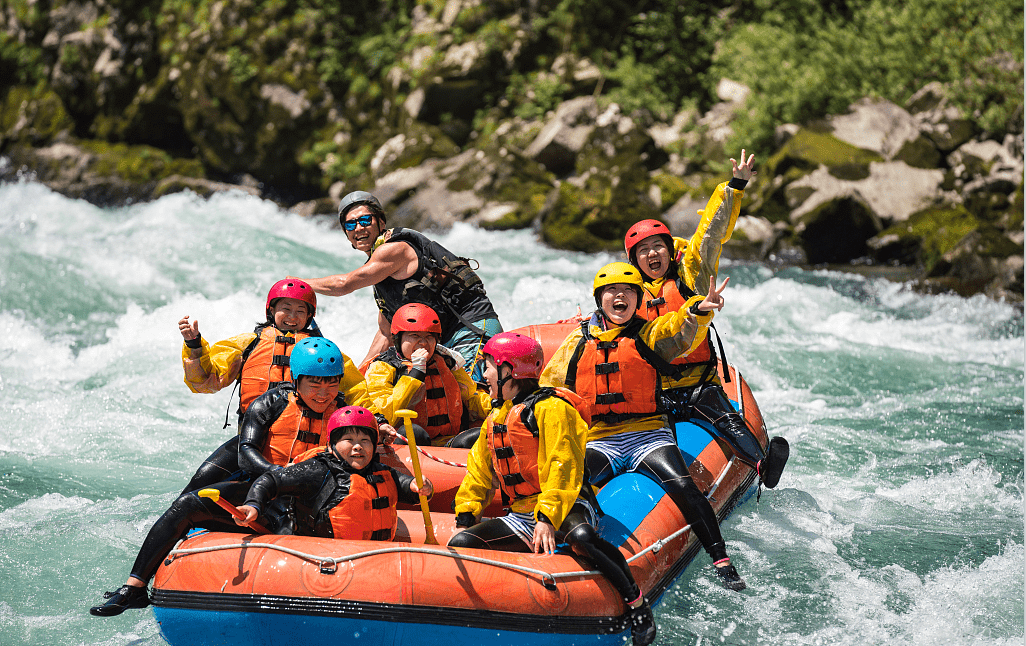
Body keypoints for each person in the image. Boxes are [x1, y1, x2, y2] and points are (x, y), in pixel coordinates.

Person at [89, 337, 379, 617]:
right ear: (296, 379)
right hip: (264, 493)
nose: (323, 393)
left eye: (332, 383)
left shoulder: (345, 416)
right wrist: (278, 476)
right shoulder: (270, 404)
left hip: (313, 505)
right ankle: (135, 588)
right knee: (187, 505)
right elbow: (246, 452)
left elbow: (361, 460)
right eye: (315, 383)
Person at [539, 261, 748, 591]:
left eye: (627, 291)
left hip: (648, 434)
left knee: (684, 487)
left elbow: (677, 330)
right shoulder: (576, 343)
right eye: (611, 291)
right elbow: (548, 391)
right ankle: (578, 544)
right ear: (599, 299)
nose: (619, 296)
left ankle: (721, 559)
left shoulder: (649, 334)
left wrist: (698, 309)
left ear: (637, 299)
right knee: (571, 481)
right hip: (600, 439)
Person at [448, 332, 657, 646]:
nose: (485, 375)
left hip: (568, 503)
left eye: (490, 367)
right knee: (464, 541)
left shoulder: (552, 408)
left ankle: (637, 606)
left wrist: (546, 518)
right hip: (522, 513)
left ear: (511, 370)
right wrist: (466, 513)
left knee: (582, 538)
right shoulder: (497, 416)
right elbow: (479, 472)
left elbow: (564, 465)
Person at [623, 150, 788, 489]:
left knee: (728, 421)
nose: (653, 254)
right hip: (655, 393)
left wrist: (735, 185)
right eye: (644, 250)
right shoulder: (624, 293)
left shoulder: (692, 274)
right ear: (634, 259)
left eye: (658, 247)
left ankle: (762, 464)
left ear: (670, 250)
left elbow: (711, 232)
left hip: (698, 386)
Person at [296, 191, 502, 382]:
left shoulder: (394, 250)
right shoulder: (380, 274)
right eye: (351, 225)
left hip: (471, 327)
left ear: (381, 223)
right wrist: (361, 374)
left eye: (365, 220)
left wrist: (299, 284)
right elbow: (386, 334)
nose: (359, 228)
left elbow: (344, 284)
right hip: (445, 340)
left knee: (473, 396)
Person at [177, 278, 321, 493]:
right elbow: (206, 381)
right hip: (251, 441)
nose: (292, 316)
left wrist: (379, 420)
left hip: (301, 442)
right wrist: (194, 345)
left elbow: (354, 391)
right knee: (194, 488)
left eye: (301, 310)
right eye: (285, 309)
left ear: (310, 316)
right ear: (271, 310)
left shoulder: (321, 351)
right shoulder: (247, 344)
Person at [234, 406, 432, 539]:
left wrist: (420, 486)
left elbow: (408, 488)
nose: (358, 447)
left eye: (365, 441)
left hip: (374, 558)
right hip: (322, 556)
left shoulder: (381, 471)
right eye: (349, 440)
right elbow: (271, 480)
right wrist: (253, 505)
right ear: (331, 446)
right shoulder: (317, 470)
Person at [365, 303, 492, 448]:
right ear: (398, 339)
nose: (423, 343)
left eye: (429, 337)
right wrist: (415, 374)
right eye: (415, 336)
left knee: (479, 434)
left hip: (449, 441)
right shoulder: (382, 368)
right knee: (414, 432)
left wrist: (495, 407)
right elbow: (386, 414)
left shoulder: (447, 361)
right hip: (407, 443)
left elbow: (471, 397)